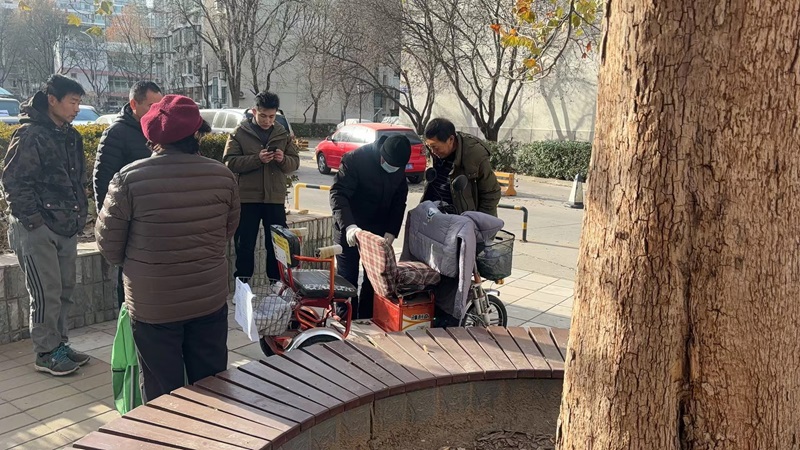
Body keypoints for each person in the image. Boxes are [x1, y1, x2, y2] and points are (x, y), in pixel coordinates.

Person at [96, 94, 240, 403]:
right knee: (212, 384)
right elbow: (227, 232)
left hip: (153, 305)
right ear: (197, 132)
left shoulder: (128, 179)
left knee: (162, 390)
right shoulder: (222, 176)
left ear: (151, 136)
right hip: (208, 298)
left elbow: (109, 246)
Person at [1, 74, 91, 376]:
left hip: (66, 225)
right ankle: (45, 352)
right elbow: (13, 183)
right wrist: (34, 222)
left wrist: (80, 216)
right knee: (45, 292)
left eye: (79, 103)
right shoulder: (30, 135)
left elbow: (78, 180)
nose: (76, 109)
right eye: (72, 102)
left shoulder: (70, 136)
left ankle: (59, 344)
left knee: (65, 289)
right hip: (37, 228)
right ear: (52, 100)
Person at [93, 80, 163, 308]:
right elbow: (103, 182)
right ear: (134, 104)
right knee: (129, 283)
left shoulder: (158, 132)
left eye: (160, 107)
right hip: (129, 223)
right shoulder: (116, 134)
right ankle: (129, 323)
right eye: (151, 106)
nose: (156, 112)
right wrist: (110, 225)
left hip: (156, 222)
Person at [329, 135, 412, 319]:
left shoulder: (398, 166)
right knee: (347, 279)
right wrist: (349, 226)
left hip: (377, 232)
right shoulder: (355, 159)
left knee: (374, 281)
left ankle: (367, 319)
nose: (391, 168)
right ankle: (345, 322)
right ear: (382, 154)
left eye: (396, 167)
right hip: (350, 228)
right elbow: (338, 194)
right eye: (388, 164)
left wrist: (391, 230)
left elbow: (400, 200)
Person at [223, 91, 299, 283]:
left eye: (272, 116)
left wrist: (283, 159)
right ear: (254, 111)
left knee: (276, 244)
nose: (267, 121)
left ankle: (276, 284)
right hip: (247, 198)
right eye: (263, 115)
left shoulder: (282, 133)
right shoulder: (239, 133)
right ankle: (243, 285)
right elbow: (229, 162)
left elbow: (294, 162)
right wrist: (257, 159)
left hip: (274, 198)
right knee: (245, 244)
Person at [422, 118, 501, 216]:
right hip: (434, 214)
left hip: (461, 219)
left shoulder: (474, 155)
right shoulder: (434, 152)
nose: (432, 151)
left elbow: (491, 193)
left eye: (435, 147)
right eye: (429, 147)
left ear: (451, 140)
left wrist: (479, 220)